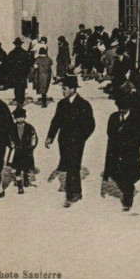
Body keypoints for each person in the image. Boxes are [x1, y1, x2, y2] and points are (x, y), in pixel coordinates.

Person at [45, 76, 95, 208]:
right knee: (68, 164)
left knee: (74, 166)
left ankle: (73, 194)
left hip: (77, 141)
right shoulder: (62, 104)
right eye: (62, 88)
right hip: (64, 140)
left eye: (65, 88)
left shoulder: (84, 105)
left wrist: (81, 137)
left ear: (73, 89)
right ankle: (74, 190)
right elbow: (56, 121)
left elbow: (90, 125)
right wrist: (50, 136)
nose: (63, 91)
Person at [102, 96, 140, 211]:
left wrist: (133, 144)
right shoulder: (113, 117)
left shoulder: (136, 118)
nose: (121, 110)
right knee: (115, 175)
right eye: (120, 107)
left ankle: (128, 198)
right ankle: (129, 189)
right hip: (115, 151)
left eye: (124, 108)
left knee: (128, 175)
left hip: (130, 152)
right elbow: (109, 132)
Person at [9, 107, 38, 195]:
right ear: (15, 118)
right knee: (18, 169)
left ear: (24, 117)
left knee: (26, 167)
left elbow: (34, 137)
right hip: (17, 151)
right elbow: (10, 138)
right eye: (18, 117)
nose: (20, 119)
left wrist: (32, 146)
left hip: (26, 151)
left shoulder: (29, 127)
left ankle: (26, 180)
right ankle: (20, 186)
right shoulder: (12, 128)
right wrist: (12, 145)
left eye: (21, 117)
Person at [6, 38, 32, 106]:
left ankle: (18, 98)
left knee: (16, 86)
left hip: (15, 72)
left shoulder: (12, 53)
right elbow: (29, 63)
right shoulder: (24, 52)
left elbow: (8, 63)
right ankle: (21, 99)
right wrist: (27, 72)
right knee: (22, 86)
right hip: (22, 72)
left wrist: (10, 72)